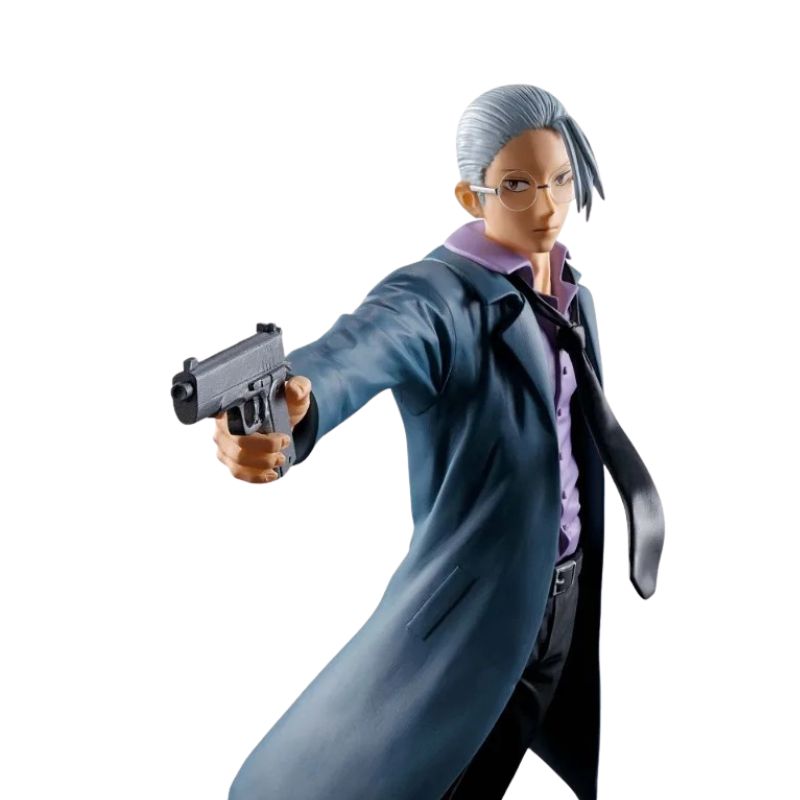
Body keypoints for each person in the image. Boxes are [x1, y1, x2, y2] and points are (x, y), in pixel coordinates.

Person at [217, 85, 618, 800]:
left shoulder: (572, 297)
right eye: (518, 185)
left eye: (560, 179)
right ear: (471, 198)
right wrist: (288, 409)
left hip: (565, 597)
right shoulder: (437, 298)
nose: (549, 204)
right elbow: (363, 345)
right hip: (479, 617)